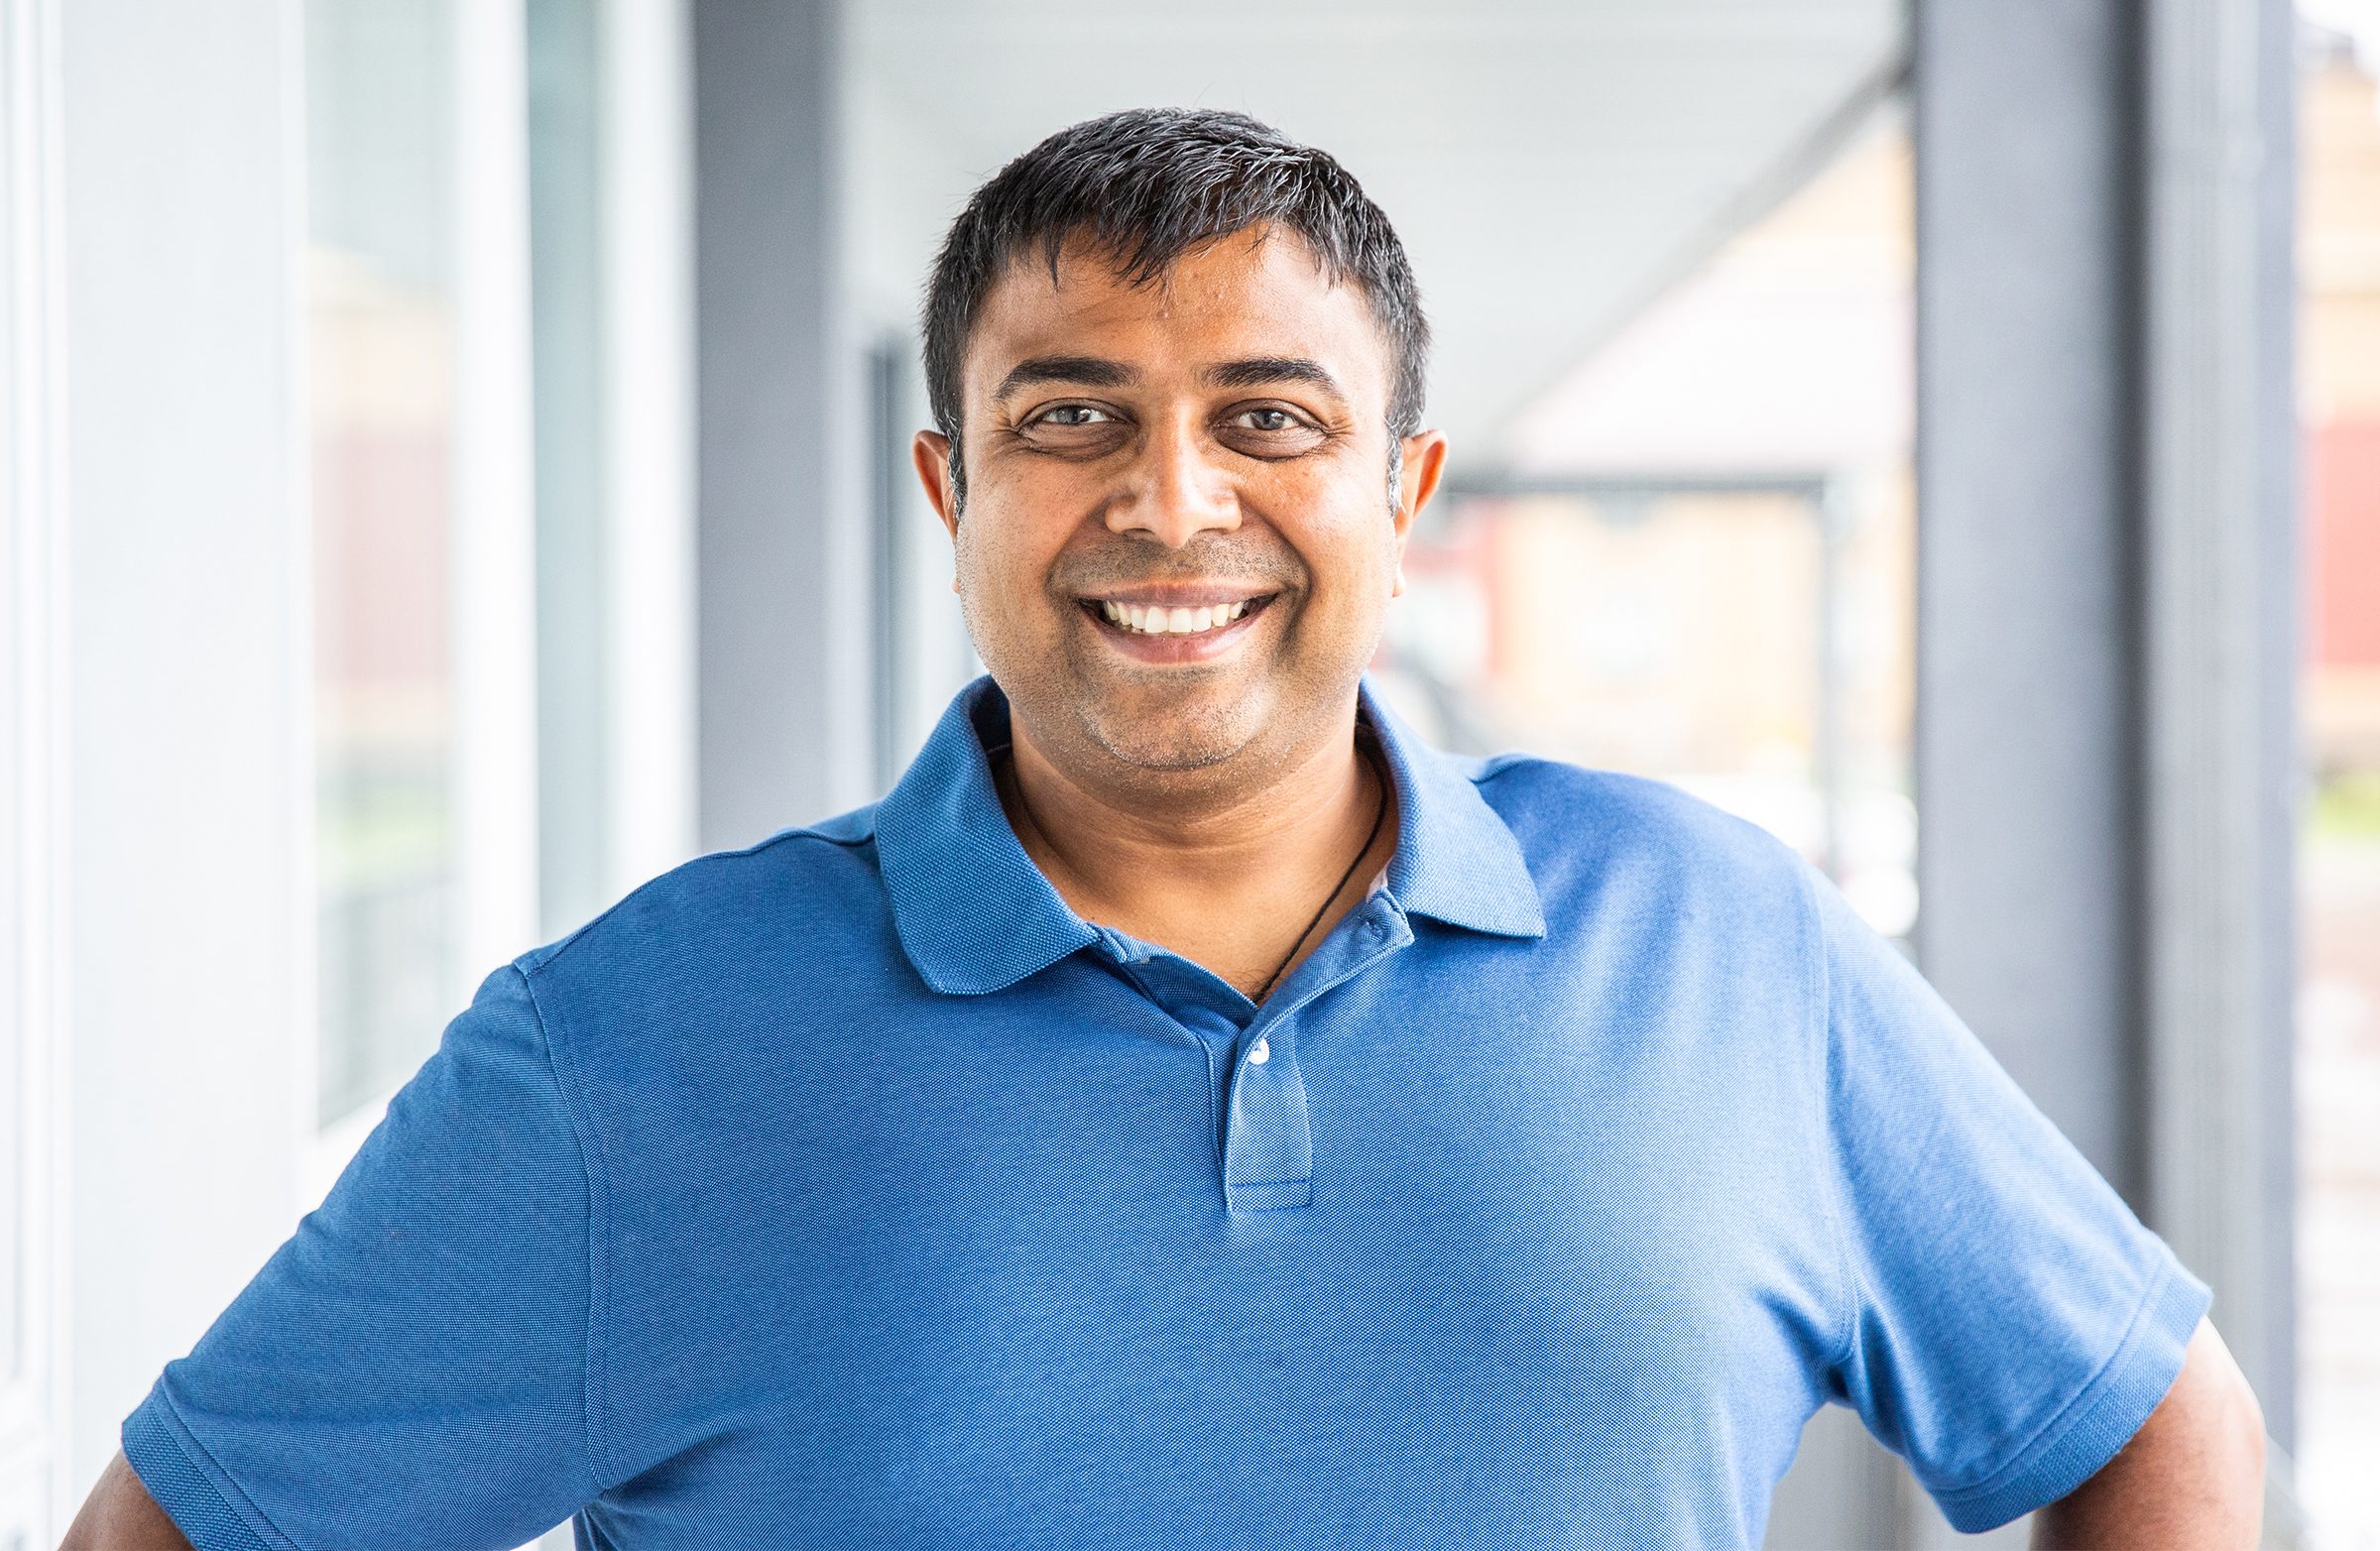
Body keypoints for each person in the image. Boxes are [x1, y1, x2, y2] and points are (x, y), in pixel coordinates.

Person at [64, 107, 2264, 1551]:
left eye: (1269, 419)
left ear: (1401, 501)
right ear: (954, 497)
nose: (1172, 500)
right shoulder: (629, 1045)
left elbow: (2154, 1419)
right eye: (1071, 417)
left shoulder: (1717, 946)